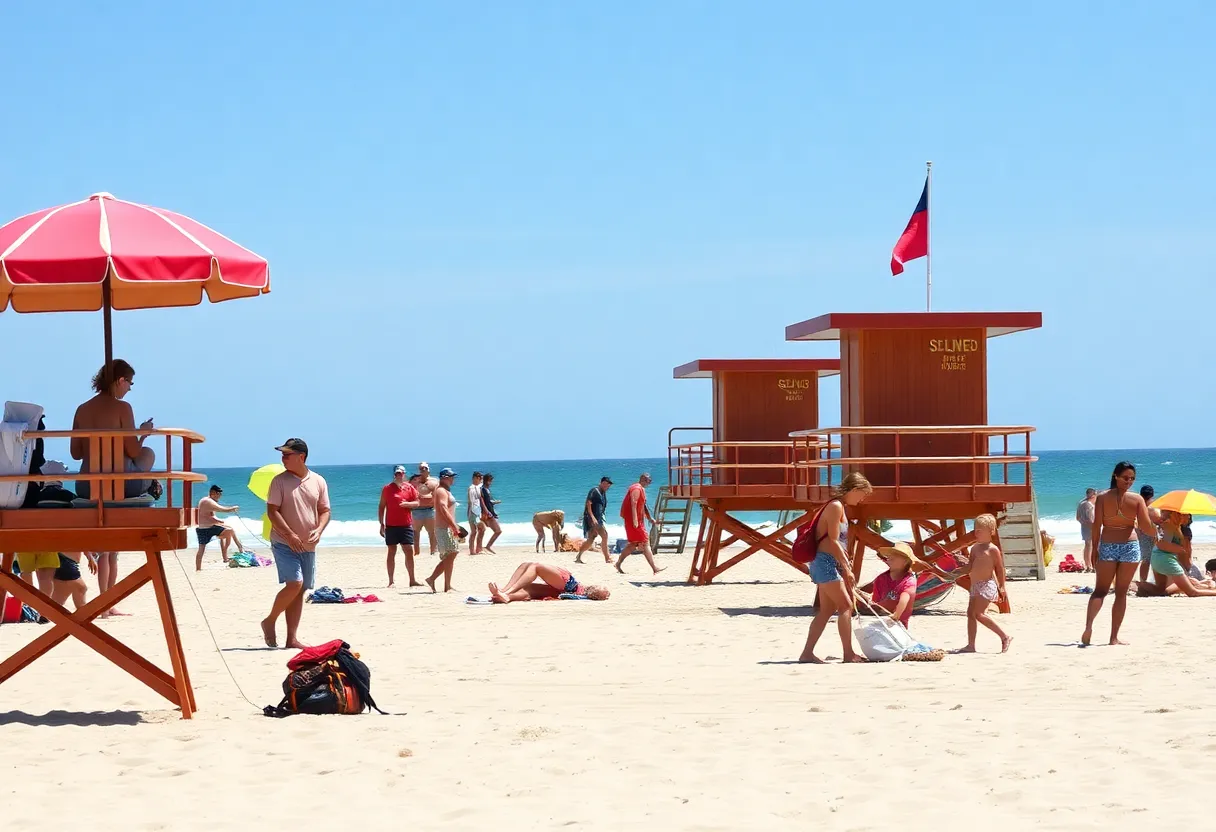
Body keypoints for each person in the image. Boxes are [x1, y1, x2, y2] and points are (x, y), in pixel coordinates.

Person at [72, 359, 160, 616]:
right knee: (148, 453)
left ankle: (108, 603)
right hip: (123, 489)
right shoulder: (123, 408)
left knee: (108, 551)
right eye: (130, 383)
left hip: (86, 488)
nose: (130, 389)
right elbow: (133, 451)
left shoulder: (81, 409)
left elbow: (76, 453)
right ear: (120, 380)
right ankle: (148, 485)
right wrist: (140, 432)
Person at [261, 438, 331, 649]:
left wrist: (319, 530)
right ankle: (270, 620)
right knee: (295, 583)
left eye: (287, 455)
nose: (283, 458)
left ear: (301, 457)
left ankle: (291, 638)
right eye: (282, 455)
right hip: (284, 542)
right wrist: (290, 534)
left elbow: (325, 510)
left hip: (308, 545)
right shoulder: (279, 481)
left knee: (300, 591)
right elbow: (272, 511)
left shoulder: (318, 480)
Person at [797, 472, 873, 664]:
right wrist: (847, 568)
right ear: (854, 490)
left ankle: (807, 653)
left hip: (826, 563)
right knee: (846, 606)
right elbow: (832, 540)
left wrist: (844, 565)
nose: (862, 499)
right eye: (862, 494)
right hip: (824, 563)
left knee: (826, 610)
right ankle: (849, 654)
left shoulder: (839, 507)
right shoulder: (836, 506)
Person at [1081, 461, 1158, 647]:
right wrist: (1157, 531)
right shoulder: (1137, 499)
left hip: (1110, 545)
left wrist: (1095, 549)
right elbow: (1146, 526)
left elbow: (1097, 525)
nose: (1129, 481)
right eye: (1126, 478)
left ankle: (1093, 628)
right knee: (1118, 593)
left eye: (1132, 479)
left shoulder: (1101, 497)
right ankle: (1110, 637)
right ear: (1115, 476)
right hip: (1129, 546)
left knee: (1102, 591)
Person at [955, 514, 1012, 653]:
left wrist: (1002, 586)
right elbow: (970, 566)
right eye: (975, 529)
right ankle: (971, 645)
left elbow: (999, 568)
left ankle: (1004, 637)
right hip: (975, 585)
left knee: (979, 614)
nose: (977, 532)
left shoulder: (992, 549)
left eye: (981, 530)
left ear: (991, 531)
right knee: (970, 614)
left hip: (987, 585)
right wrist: (957, 571)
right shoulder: (974, 548)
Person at [1145, 510, 1216, 597]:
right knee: (1192, 592)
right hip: (1166, 559)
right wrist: (1179, 549)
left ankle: (1138, 586)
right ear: (1177, 515)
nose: (1189, 517)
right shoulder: (1169, 526)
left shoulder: (1174, 526)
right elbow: (1160, 544)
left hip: (1158, 557)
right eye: (1185, 515)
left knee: (1160, 590)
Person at [860, 542, 921, 630]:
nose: (890, 557)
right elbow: (876, 601)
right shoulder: (881, 578)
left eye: (896, 555)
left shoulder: (909, 580)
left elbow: (904, 599)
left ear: (905, 562)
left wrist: (896, 615)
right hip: (881, 619)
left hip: (899, 624)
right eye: (890, 555)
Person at [379, 465, 421, 587]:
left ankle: (412, 580)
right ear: (394, 475)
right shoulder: (387, 488)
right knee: (391, 551)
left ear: (404, 474)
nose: (399, 475)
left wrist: (407, 504)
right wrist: (381, 523)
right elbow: (381, 506)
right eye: (397, 473)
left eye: (401, 473)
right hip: (391, 525)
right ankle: (391, 581)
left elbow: (417, 503)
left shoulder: (410, 488)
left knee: (408, 550)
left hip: (406, 524)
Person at [488, 562, 611, 603]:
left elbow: (601, 592)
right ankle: (505, 595)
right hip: (565, 588)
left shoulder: (583, 590)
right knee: (529, 589)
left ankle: (506, 592)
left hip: (568, 584)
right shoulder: (584, 592)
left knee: (535, 567)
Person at [615, 473, 663, 575]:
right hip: (634, 522)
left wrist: (649, 518)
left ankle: (618, 563)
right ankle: (654, 568)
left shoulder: (641, 489)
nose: (649, 483)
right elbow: (634, 503)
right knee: (645, 542)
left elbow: (643, 506)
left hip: (637, 521)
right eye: (648, 481)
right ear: (643, 479)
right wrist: (635, 520)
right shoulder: (636, 488)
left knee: (633, 544)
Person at [426, 468, 463, 593]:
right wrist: (453, 526)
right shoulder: (441, 490)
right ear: (444, 477)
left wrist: (454, 525)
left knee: (451, 555)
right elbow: (443, 508)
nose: (453, 479)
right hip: (444, 527)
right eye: (450, 477)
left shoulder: (444, 490)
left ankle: (446, 585)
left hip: (447, 526)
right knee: (451, 554)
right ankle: (433, 579)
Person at [195, 485, 245, 570]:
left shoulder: (205, 500)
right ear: (212, 493)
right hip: (209, 528)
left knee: (202, 548)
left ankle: (198, 568)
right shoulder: (208, 501)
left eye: (220, 494)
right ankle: (236, 550)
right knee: (229, 531)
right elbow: (223, 510)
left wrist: (220, 521)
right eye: (218, 494)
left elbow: (209, 516)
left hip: (202, 528)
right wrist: (233, 508)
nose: (220, 496)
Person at [576, 477, 613, 564]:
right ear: (601, 483)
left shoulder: (603, 493)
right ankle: (607, 558)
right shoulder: (594, 491)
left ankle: (579, 556)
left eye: (608, 486)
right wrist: (592, 517)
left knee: (591, 539)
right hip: (592, 519)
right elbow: (588, 503)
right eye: (605, 485)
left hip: (598, 519)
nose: (607, 487)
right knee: (604, 535)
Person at [413, 463, 439, 555]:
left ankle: (433, 551)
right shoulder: (415, 480)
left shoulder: (434, 481)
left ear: (428, 469)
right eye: (421, 468)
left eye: (425, 468)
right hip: (417, 510)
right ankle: (416, 553)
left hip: (430, 510)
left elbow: (438, 495)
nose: (423, 469)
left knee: (432, 532)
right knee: (416, 533)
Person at [1137, 485, 1161, 583]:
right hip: (1154, 534)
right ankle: (1156, 580)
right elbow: (1159, 519)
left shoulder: (1138, 505)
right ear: (1152, 494)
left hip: (1142, 534)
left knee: (1145, 560)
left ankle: (1143, 581)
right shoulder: (1154, 506)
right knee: (1155, 559)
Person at [480, 472, 503, 553]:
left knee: (482, 530)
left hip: (490, 512)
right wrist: (488, 512)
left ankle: (483, 547)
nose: (491, 482)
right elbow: (483, 502)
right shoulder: (483, 490)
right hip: (488, 513)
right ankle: (487, 547)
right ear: (487, 481)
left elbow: (488, 502)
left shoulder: (486, 489)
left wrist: (494, 502)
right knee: (498, 531)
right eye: (490, 481)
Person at [1076, 488, 1097, 572]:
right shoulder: (1088, 504)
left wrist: (1083, 523)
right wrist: (1093, 527)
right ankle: (1090, 566)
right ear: (1092, 495)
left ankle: (1088, 565)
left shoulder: (1081, 503)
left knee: (1088, 545)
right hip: (1090, 527)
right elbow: (1090, 519)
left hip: (1085, 527)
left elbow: (1078, 517)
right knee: (1090, 546)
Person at [466, 471, 485, 555]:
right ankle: (477, 549)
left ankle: (473, 550)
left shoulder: (476, 487)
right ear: (476, 478)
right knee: (481, 529)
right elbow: (471, 501)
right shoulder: (472, 488)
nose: (481, 480)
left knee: (474, 532)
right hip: (474, 511)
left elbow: (481, 485)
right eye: (480, 479)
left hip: (475, 511)